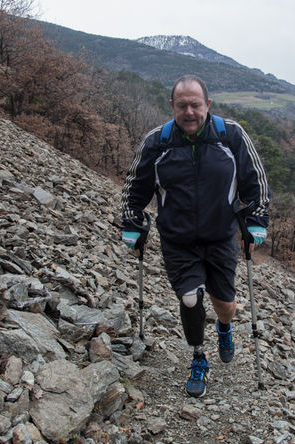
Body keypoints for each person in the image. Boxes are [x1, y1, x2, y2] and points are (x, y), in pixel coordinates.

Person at [120, 75, 270, 398]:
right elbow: (134, 187)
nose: (189, 112)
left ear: (208, 105)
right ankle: (198, 357)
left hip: (221, 237)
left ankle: (224, 327)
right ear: (171, 106)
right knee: (190, 298)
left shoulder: (231, 137)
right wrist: (132, 222)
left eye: (195, 105)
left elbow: (256, 182)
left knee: (225, 304)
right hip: (178, 240)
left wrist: (256, 218)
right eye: (182, 105)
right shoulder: (156, 143)